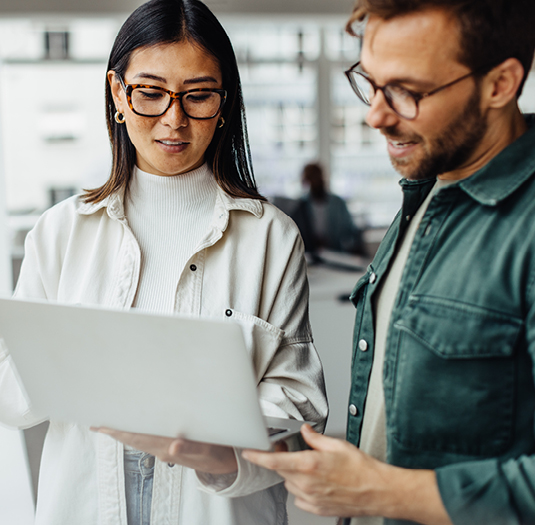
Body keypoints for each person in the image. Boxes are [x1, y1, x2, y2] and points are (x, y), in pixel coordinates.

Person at [0, 1, 328, 524]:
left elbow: (301, 408)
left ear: (224, 103)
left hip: (217, 503)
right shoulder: (60, 232)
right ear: (118, 94)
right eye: (150, 93)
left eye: (198, 96)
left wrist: (216, 451)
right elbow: (13, 399)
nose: (173, 120)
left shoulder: (271, 237)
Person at [244, 1, 535, 524]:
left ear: (500, 84)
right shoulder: (426, 191)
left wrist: (383, 493)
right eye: (370, 83)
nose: (374, 115)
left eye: (406, 91)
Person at [292, 162, 366, 256]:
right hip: (310, 256)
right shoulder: (301, 205)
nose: (315, 182)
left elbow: (351, 231)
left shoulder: (338, 203)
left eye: (316, 178)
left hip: (336, 254)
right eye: (311, 179)